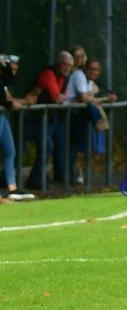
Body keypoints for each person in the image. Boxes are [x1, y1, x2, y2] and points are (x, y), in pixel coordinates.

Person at [25, 51, 74, 189]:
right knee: (20, 150)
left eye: (70, 66)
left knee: (49, 146)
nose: (67, 68)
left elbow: (64, 97)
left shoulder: (64, 78)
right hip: (32, 118)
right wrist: (64, 98)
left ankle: (36, 178)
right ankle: (29, 179)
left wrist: (64, 98)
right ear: (59, 63)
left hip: (47, 117)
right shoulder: (48, 73)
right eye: (65, 64)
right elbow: (57, 98)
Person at [66, 57, 117, 183]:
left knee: (78, 146)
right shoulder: (79, 75)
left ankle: (74, 174)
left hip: (77, 114)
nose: (94, 72)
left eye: (97, 70)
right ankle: (69, 175)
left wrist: (95, 97)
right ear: (85, 69)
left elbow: (90, 97)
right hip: (68, 114)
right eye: (91, 69)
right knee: (72, 146)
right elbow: (85, 98)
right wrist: (104, 99)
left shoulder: (88, 80)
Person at [0, 54, 35, 200]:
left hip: (1, 116)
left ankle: (12, 188)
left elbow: (6, 94)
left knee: (10, 151)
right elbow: (5, 101)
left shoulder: (2, 81)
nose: (12, 70)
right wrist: (11, 105)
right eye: (10, 66)